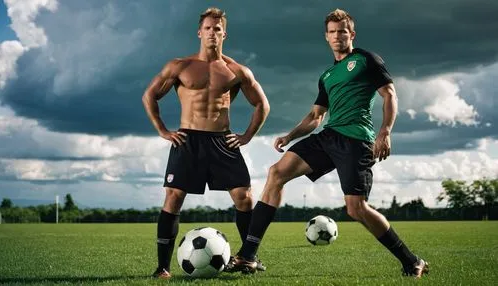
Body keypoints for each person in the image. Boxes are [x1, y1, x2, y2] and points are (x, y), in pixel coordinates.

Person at [226, 8, 429, 278]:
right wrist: (290, 136)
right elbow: (315, 116)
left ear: (351, 34)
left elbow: (389, 94)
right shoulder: (328, 76)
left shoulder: (366, 59)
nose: (337, 36)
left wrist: (385, 132)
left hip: (356, 140)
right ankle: (248, 256)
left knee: (356, 208)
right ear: (326, 37)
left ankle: (412, 260)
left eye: (342, 31)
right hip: (328, 136)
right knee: (276, 173)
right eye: (332, 32)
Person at [142, 7, 270, 279]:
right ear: (200, 32)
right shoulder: (179, 66)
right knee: (173, 198)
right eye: (208, 28)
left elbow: (262, 104)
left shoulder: (237, 71)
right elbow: (149, 96)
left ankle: (248, 258)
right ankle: (163, 267)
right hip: (188, 137)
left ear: (225, 33)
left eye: (218, 28)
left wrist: (247, 136)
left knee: (244, 196)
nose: (213, 32)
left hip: (222, 139)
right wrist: (164, 130)